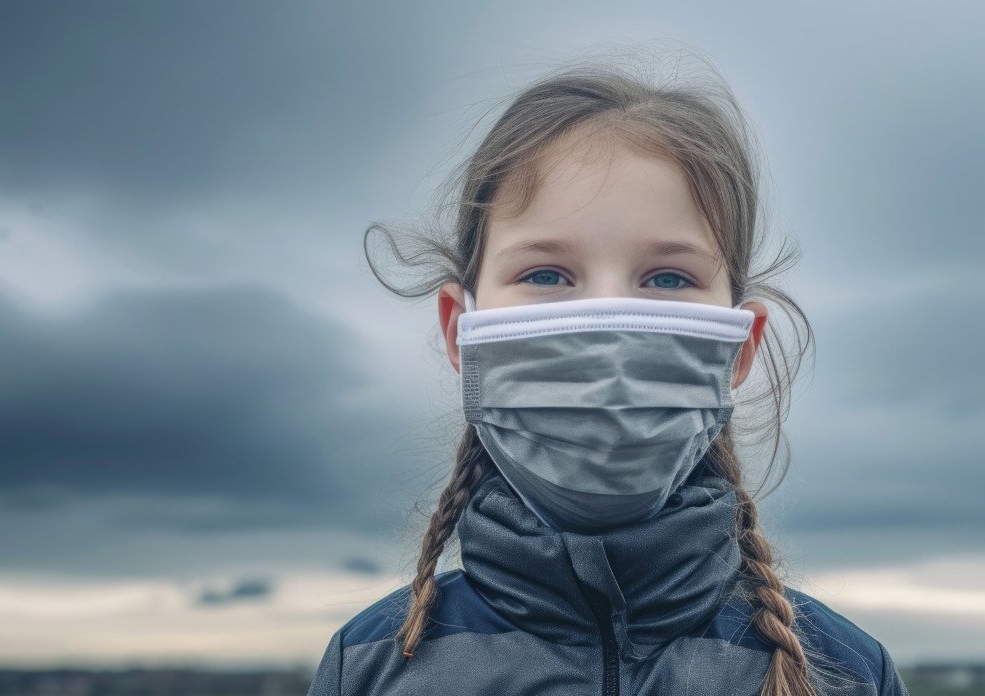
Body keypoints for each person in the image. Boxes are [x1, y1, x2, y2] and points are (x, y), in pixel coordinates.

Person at [306, 50, 909, 696]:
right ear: (461, 331)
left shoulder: (848, 675)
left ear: (739, 346)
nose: (608, 324)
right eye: (546, 274)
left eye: (668, 277)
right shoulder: (369, 667)